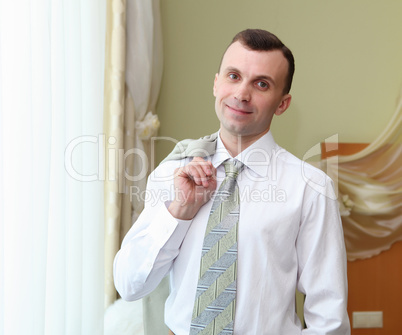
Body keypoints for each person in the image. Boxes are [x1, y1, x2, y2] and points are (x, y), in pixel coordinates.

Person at [113, 29, 350, 334]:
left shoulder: (310, 188)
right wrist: (177, 211)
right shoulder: (172, 172)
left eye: (261, 84)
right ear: (216, 83)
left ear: (282, 103)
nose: (241, 94)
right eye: (234, 76)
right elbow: (130, 285)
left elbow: (328, 315)